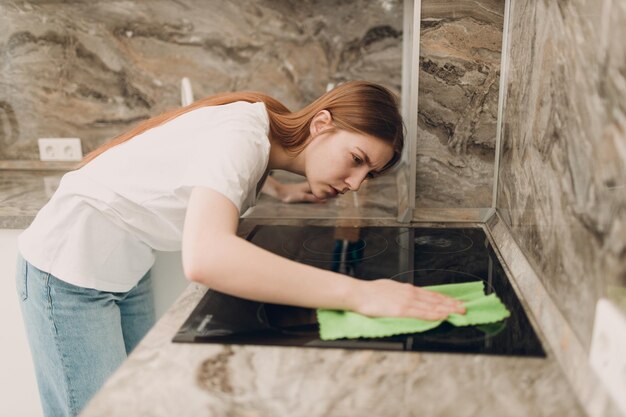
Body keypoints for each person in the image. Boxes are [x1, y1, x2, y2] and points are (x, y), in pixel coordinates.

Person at [15, 81, 465, 417]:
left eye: (368, 176)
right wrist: (361, 293)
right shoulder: (243, 137)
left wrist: (279, 191)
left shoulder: (259, 131)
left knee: (133, 406)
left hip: (124, 267)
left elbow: (215, 166)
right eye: (356, 160)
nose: (354, 184)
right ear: (322, 123)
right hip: (68, 272)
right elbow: (206, 257)